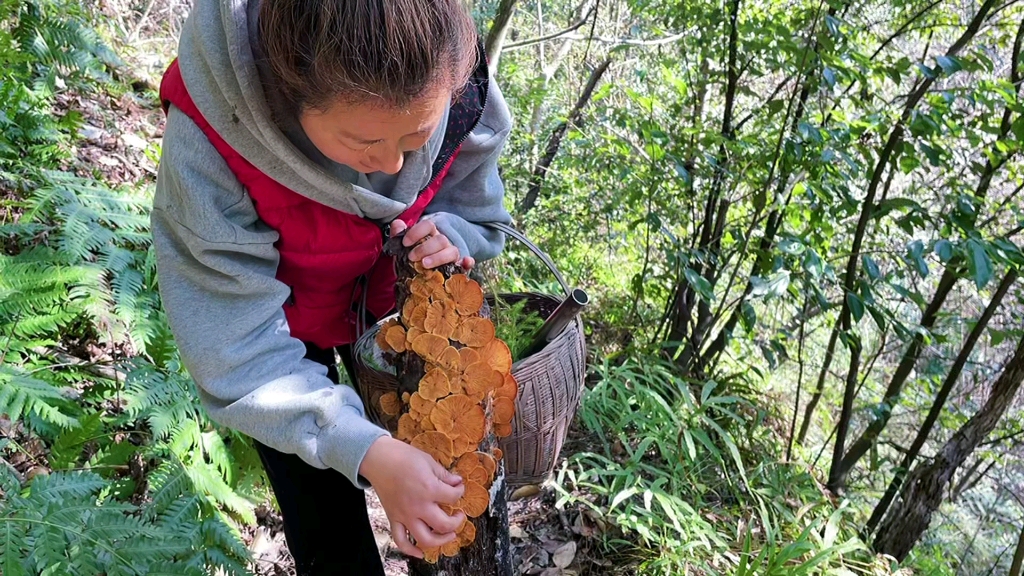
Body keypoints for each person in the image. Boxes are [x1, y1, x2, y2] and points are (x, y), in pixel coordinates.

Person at [150, 0, 513, 573]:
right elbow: (237, 347)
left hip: (392, 313)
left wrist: (456, 233)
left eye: (417, 137)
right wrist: (368, 452)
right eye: (366, 145)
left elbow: (482, 214)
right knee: (324, 522)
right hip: (279, 335)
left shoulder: (457, 79)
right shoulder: (212, 138)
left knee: (442, 472)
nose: (395, 164)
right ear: (287, 93)